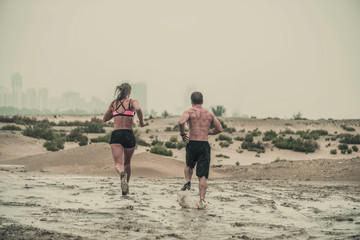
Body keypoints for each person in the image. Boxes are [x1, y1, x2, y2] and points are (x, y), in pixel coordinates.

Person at [178, 91, 222, 207]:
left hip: (192, 143)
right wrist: (209, 132)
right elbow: (219, 129)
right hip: (204, 144)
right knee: (202, 176)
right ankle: (202, 201)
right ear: (202, 101)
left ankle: (188, 181)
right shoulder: (209, 114)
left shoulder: (189, 112)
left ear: (191, 101)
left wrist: (182, 134)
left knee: (189, 166)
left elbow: (181, 122)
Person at [103, 83, 146, 195]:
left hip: (116, 134)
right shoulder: (132, 102)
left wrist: (116, 113)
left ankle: (122, 173)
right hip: (128, 134)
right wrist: (141, 122)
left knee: (118, 163)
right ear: (129, 92)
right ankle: (126, 188)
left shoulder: (114, 104)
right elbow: (139, 109)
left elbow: (105, 119)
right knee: (127, 162)